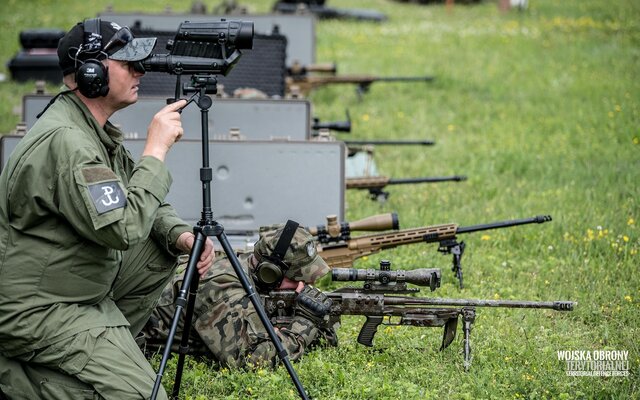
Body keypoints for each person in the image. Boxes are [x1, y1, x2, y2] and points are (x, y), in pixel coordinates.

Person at [0, 18, 215, 400]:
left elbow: (139, 198)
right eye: (128, 64)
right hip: (38, 309)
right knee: (145, 397)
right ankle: (26, 377)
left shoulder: (88, 128)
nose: (140, 71)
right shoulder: (71, 144)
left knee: (159, 247)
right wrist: (156, 150)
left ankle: (102, 351)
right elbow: (123, 228)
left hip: (71, 286)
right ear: (91, 73)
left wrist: (180, 234)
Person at [139, 222, 338, 368]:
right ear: (269, 273)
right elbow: (250, 359)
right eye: (296, 277)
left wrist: (318, 319)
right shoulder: (224, 287)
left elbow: (323, 344)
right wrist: (305, 324)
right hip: (137, 338)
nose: (303, 285)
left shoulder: (255, 275)